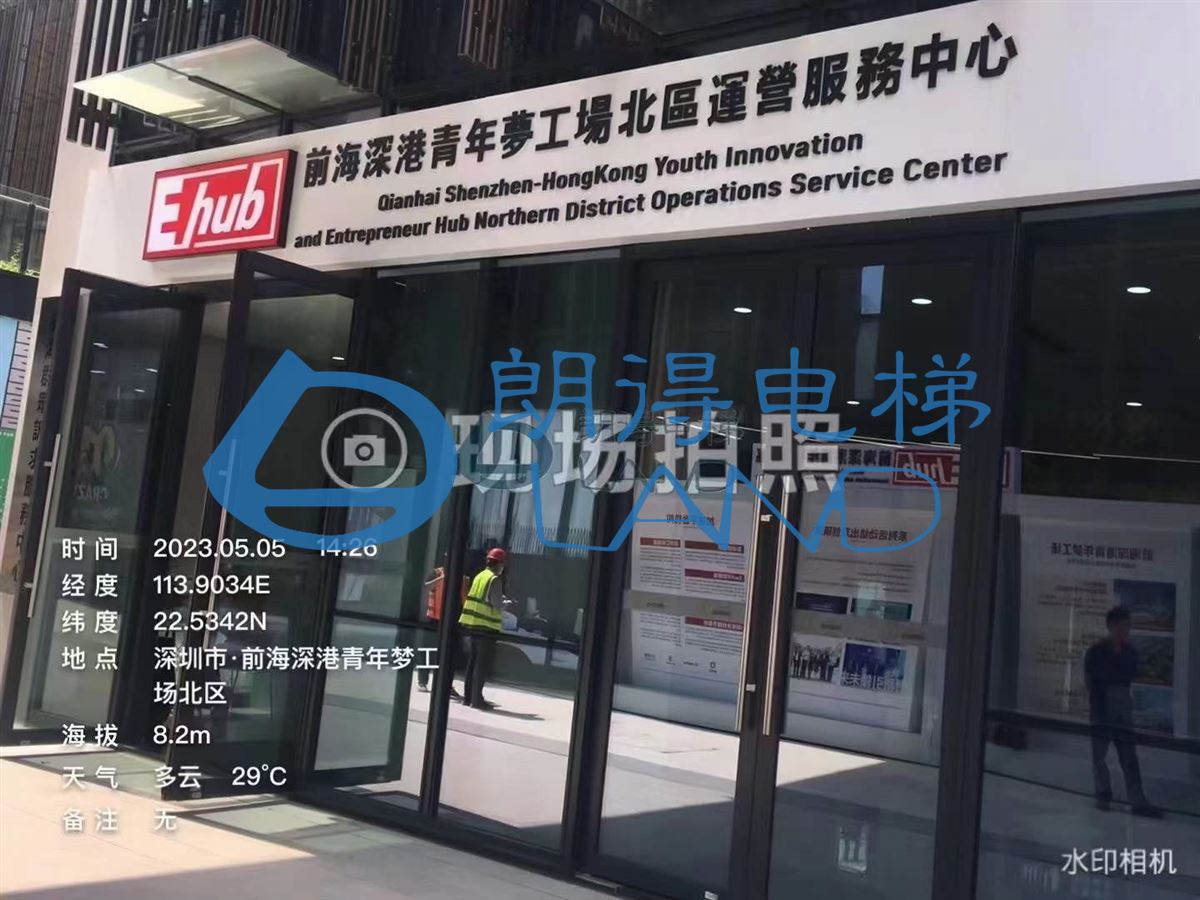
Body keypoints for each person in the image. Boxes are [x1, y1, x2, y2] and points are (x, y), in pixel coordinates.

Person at [1085, 607, 1161, 817]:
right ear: (1111, 626)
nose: (1126, 630)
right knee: (1099, 757)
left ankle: (1137, 800)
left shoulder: (1130, 652)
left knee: (1129, 758)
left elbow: (1131, 674)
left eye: (1128, 626)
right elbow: (1091, 680)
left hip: (1123, 709)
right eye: (1123, 625)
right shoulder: (1096, 651)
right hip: (1101, 708)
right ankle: (1103, 795)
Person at [458, 547, 508, 710]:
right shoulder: (494, 579)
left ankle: (468, 698)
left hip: (472, 625)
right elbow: (496, 604)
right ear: (499, 564)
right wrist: (506, 603)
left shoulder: (480, 576)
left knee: (472, 664)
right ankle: (477, 700)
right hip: (486, 628)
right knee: (481, 665)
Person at [419, 555, 465, 699]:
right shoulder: (437, 573)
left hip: (449, 621)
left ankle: (446, 685)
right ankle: (422, 681)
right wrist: (442, 579)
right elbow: (427, 586)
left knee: (447, 655)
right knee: (428, 651)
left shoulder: (461, 578)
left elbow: (463, 600)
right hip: (433, 619)